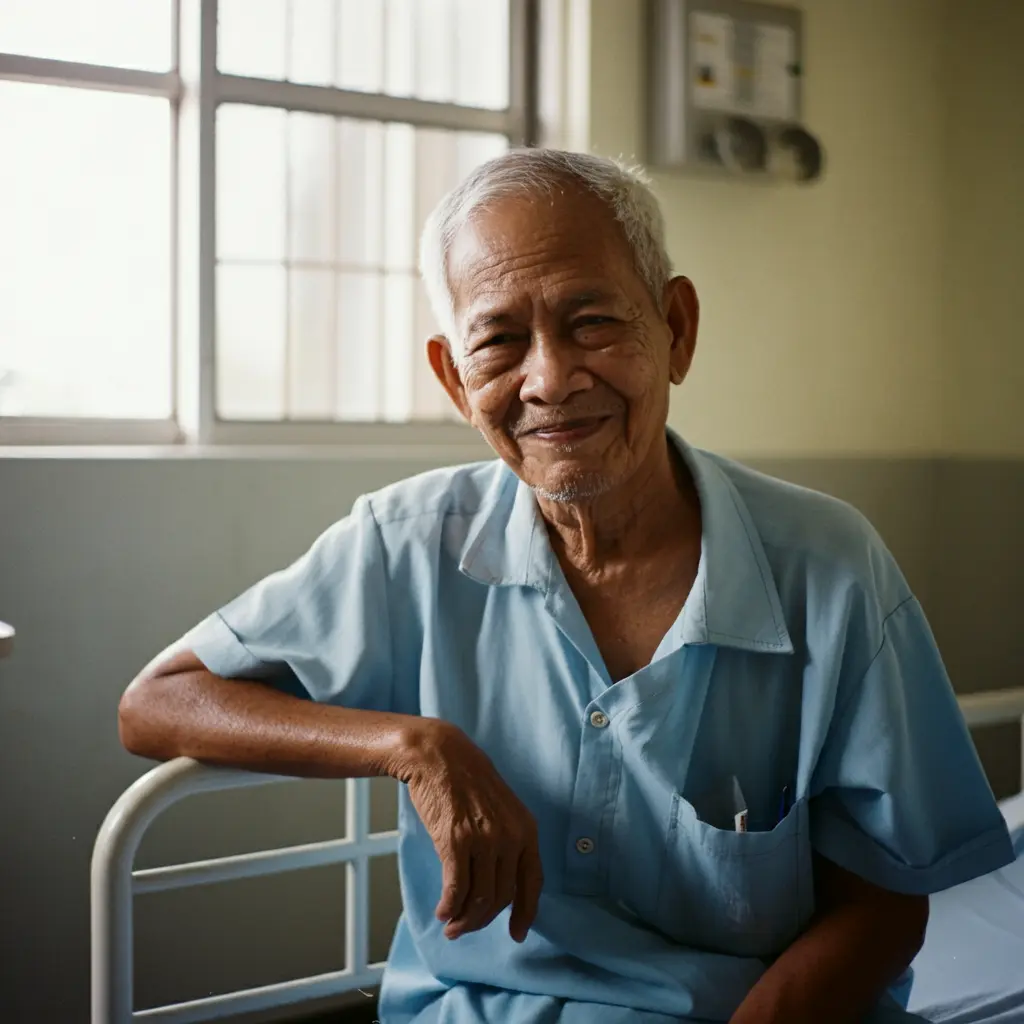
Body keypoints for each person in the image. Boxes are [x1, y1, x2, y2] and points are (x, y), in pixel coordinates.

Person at [119, 149, 1013, 1024]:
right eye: (500, 340)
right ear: (454, 377)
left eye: (592, 323)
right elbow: (159, 701)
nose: (548, 380)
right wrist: (418, 747)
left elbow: (887, 906)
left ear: (677, 329)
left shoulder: (826, 567)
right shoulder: (406, 544)